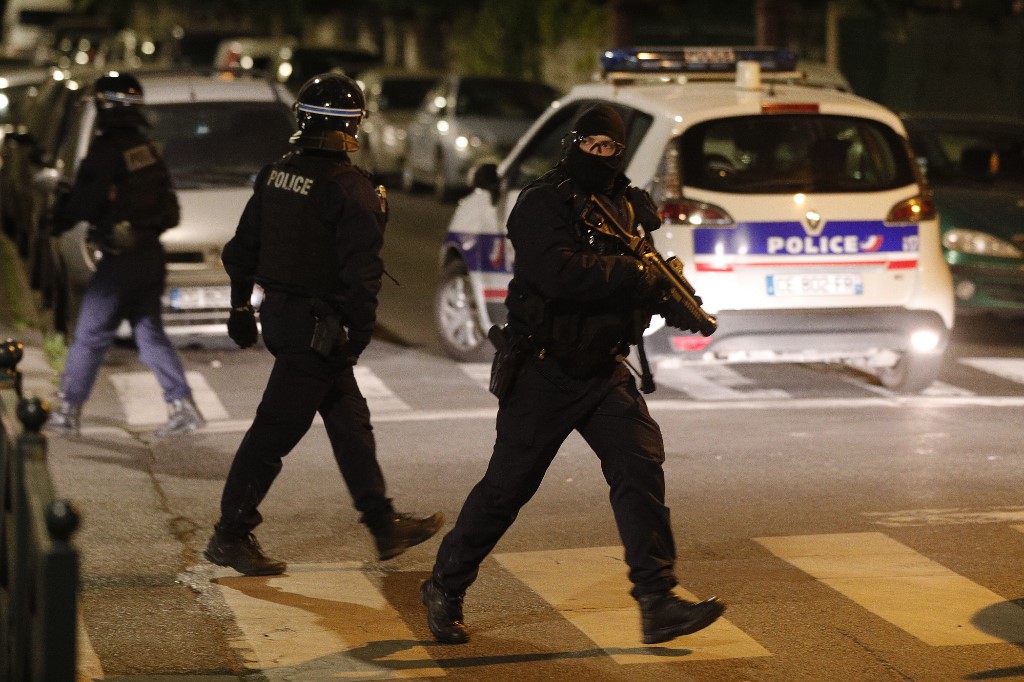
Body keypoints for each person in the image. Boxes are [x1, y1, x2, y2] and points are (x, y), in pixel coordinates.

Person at [420, 104, 725, 645]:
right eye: (593, 146)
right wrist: (632, 276)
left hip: (604, 369)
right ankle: (445, 584)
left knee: (640, 469)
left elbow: (647, 271)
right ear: (574, 144)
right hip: (545, 369)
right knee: (507, 490)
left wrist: (675, 304)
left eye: (611, 148)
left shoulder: (629, 204)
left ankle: (656, 600)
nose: (601, 156)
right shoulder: (542, 201)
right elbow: (556, 273)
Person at [203, 72, 443, 576]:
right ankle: (229, 534)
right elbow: (363, 277)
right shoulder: (351, 190)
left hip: (285, 319)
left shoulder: (276, 176)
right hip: (319, 330)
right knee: (274, 433)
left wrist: (240, 308)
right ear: (352, 126)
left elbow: (240, 251)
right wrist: (356, 336)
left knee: (350, 422)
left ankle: (382, 525)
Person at [46, 71, 205, 439]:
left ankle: (67, 410)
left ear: (105, 107)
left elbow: (85, 200)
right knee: (149, 333)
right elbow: (170, 210)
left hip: (121, 260)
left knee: (89, 334)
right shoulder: (147, 150)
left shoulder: (106, 151)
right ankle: (183, 406)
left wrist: (58, 219)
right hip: (150, 256)